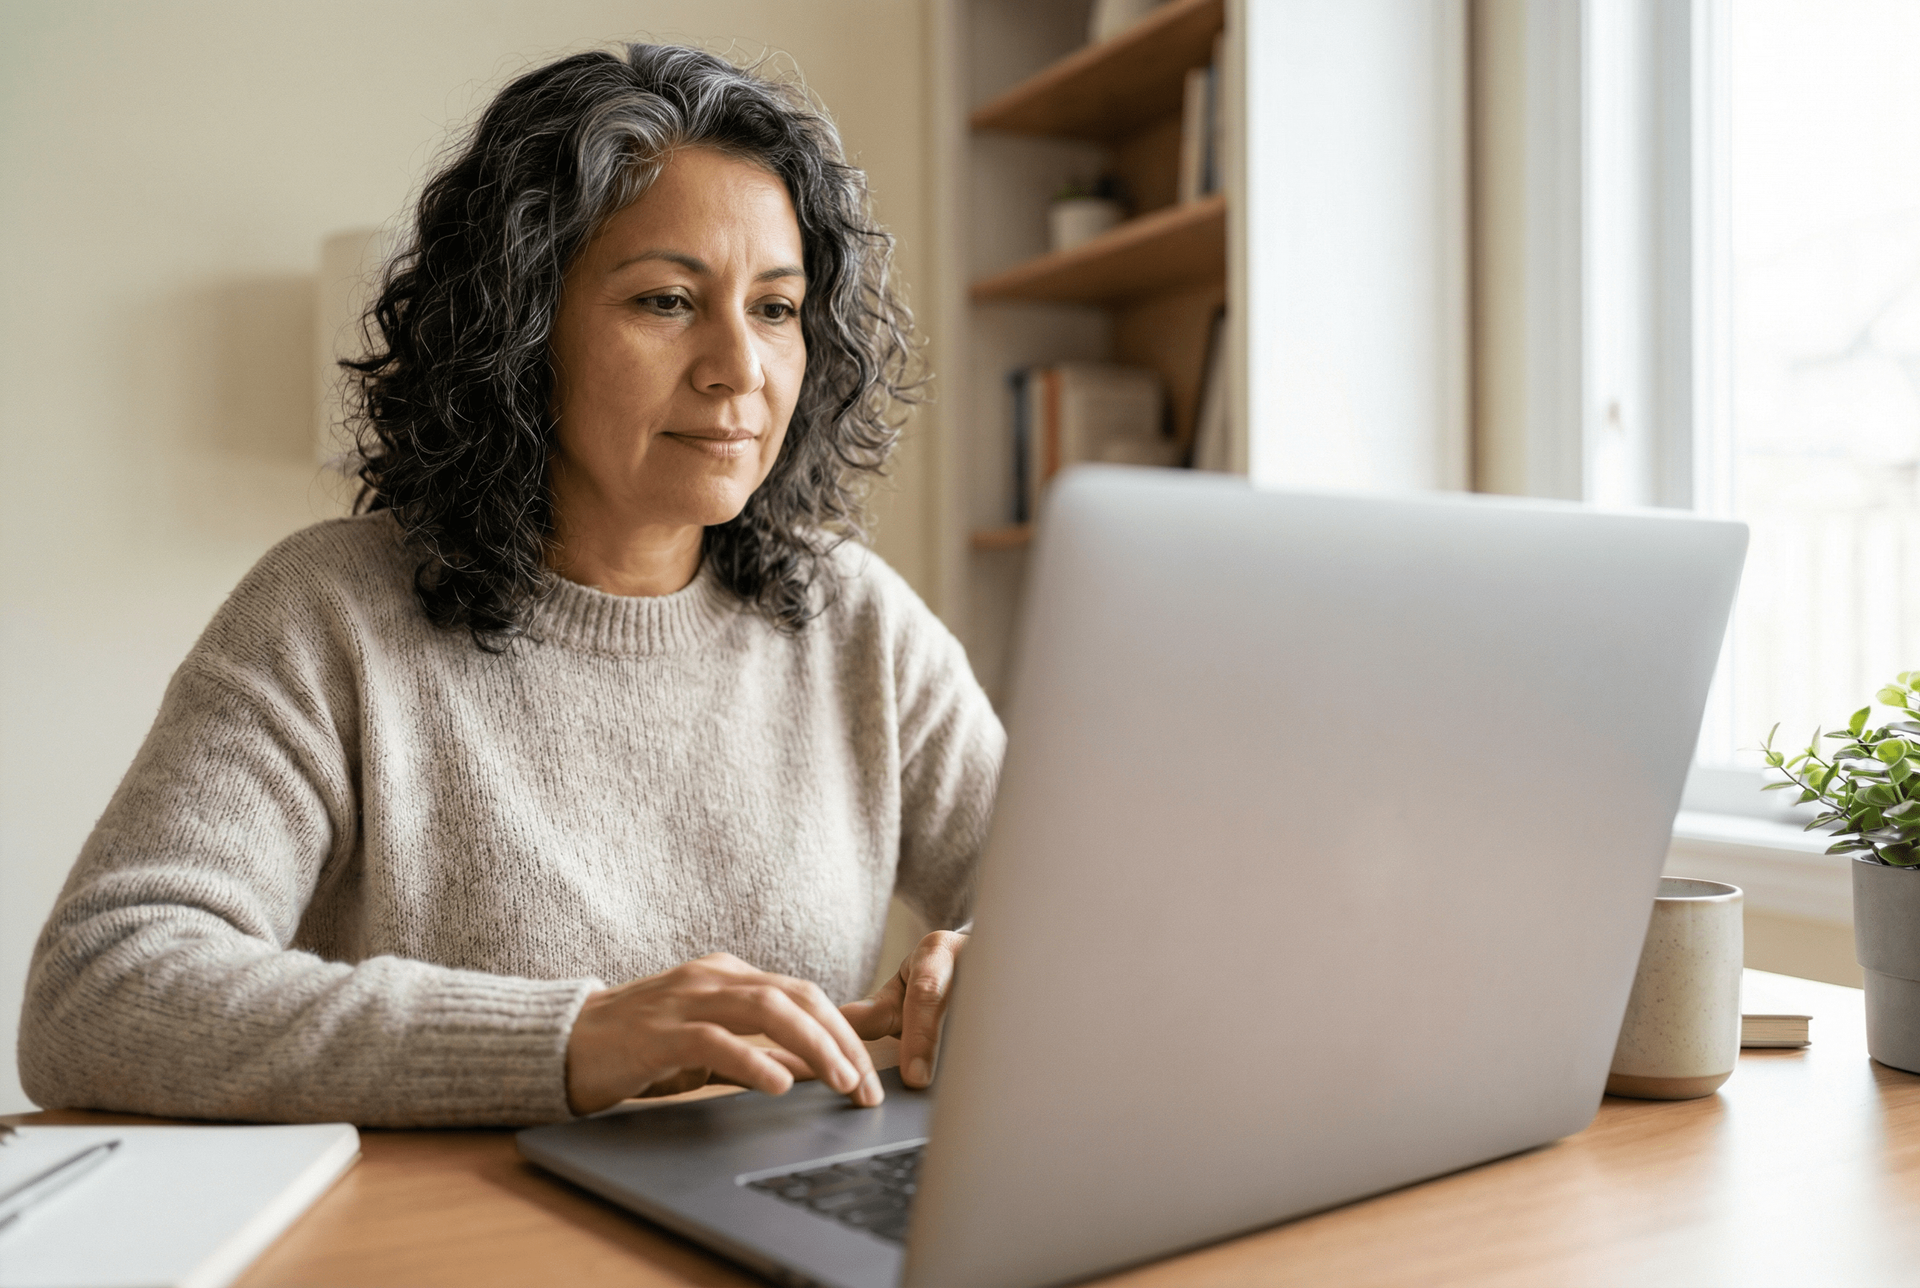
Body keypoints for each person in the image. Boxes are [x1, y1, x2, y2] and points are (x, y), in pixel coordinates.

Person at [18, 45, 1003, 1128]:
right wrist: (570, 1040)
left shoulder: (857, 621)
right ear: (521, 328)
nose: (740, 368)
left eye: (775, 309)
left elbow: (1094, 920)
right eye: (668, 300)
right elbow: (97, 989)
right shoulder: (330, 614)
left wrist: (1001, 963)